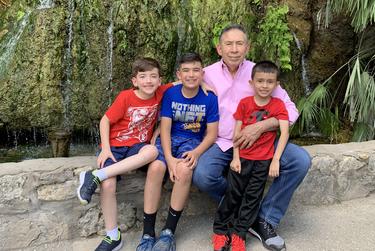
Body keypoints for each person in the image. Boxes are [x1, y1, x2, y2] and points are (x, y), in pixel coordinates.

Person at [192, 24, 311, 251]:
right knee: (203, 175)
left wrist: (264, 125)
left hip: (262, 141)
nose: (234, 49)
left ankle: (265, 219)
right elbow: (175, 86)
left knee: (300, 161)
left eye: (239, 44)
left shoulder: (261, 74)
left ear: (247, 47)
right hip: (222, 142)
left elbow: (290, 109)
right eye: (229, 44)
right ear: (219, 48)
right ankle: (245, 211)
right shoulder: (205, 73)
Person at [76, 57, 174, 251]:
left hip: (138, 146)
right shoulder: (126, 97)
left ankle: (95, 175)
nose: (148, 81)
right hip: (115, 147)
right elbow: (105, 120)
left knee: (153, 151)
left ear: (160, 80)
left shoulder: (161, 92)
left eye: (153, 76)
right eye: (143, 76)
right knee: (109, 183)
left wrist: (205, 84)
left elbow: (186, 79)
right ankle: (113, 236)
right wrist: (105, 148)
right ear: (135, 81)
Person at [136, 52, 219, 251]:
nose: (191, 75)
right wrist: (169, 159)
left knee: (184, 170)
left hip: (192, 142)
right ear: (178, 74)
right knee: (156, 167)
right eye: (186, 71)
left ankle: (168, 232)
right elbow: (164, 128)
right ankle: (148, 232)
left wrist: (197, 152)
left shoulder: (209, 98)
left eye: (196, 70)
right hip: (170, 139)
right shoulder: (170, 94)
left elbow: (212, 134)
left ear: (202, 73)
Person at [212, 61, 289, 251]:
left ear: (277, 84)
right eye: (260, 81)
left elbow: (285, 133)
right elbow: (236, 134)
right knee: (233, 194)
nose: (264, 85)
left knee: (252, 198)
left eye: (269, 82)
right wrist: (235, 158)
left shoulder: (278, 105)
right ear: (251, 82)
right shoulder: (245, 104)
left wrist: (275, 160)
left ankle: (239, 234)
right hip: (243, 159)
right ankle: (220, 231)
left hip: (263, 161)